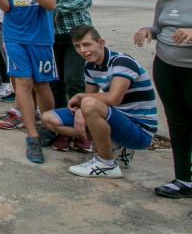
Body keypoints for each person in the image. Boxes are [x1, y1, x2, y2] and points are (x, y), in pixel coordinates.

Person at [41, 26, 158, 178]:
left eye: (87, 44)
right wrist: (79, 111)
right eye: (77, 46)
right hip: (117, 119)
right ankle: (113, 144)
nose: (83, 50)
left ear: (101, 42)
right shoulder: (90, 65)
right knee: (48, 119)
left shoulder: (121, 62)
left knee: (90, 104)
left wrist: (81, 98)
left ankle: (106, 163)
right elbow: (89, 96)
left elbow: (114, 98)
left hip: (140, 130)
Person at [0, 0, 61, 164]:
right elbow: (7, 7)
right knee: (23, 82)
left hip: (40, 38)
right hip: (14, 37)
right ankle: (32, 136)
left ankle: (50, 126)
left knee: (42, 84)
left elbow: (50, 4)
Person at [133, 0, 192, 198]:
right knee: (177, 123)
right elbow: (160, 27)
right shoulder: (164, 2)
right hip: (166, 68)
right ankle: (184, 180)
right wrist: (149, 30)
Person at [43, 0, 94, 111]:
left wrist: (56, 7)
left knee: (73, 79)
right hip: (50, 36)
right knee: (55, 81)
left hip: (76, 34)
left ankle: (82, 119)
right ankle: (63, 120)